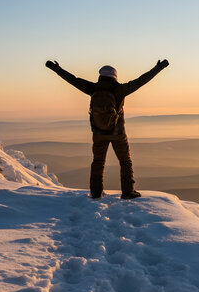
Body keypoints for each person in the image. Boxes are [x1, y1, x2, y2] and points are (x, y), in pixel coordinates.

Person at [45, 59, 169, 199]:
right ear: (114, 76)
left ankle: (96, 193)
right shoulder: (121, 90)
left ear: (100, 76)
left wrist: (56, 69)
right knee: (125, 161)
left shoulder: (93, 88)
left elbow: (73, 80)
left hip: (98, 133)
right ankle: (128, 192)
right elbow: (141, 80)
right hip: (118, 134)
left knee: (98, 162)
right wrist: (159, 67)